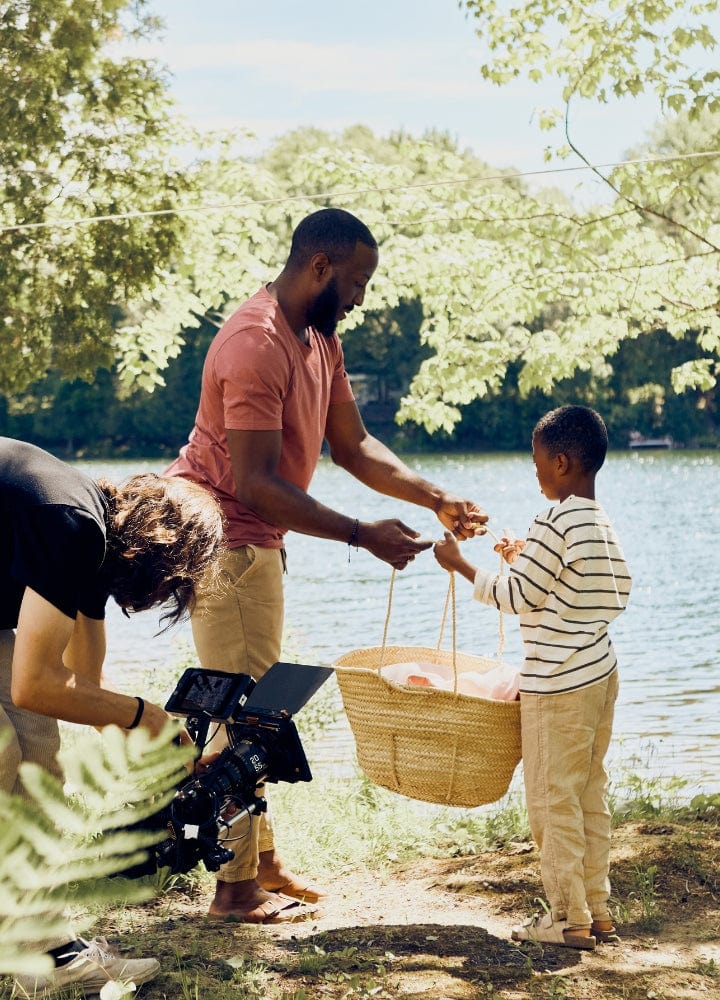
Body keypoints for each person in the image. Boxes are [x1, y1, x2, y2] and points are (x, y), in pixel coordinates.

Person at [163, 207, 489, 924]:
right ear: (319, 268)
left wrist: (434, 497)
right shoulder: (255, 343)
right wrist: (357, 532)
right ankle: (234, 889)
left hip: (258, 544)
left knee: (256, 706)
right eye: (357, 281)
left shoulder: (318, 339)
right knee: (241, 719)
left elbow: (353, 444)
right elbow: (252, 482)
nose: (362, 297)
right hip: (226, 542)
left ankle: (263, 859)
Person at [0, 434, 225, 995]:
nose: (162, 597)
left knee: (37, 758)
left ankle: (44, 955)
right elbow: (38, 683)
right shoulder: (71, 526)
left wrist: (151, 744)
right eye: (172, 584)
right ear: (162, 551)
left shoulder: (94, 547)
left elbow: (81, 684)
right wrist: (148, 719)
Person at [433, 405, 632, 950]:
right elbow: (581, 589)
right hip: (598, 676)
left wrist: (463, 565)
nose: (536, 472)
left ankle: (567, 919)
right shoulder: (596, 520)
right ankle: (598, 911)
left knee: (551, 800)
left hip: (557, 687)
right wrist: (523, 559)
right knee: (589, 793)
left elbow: (519, 597)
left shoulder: (553, 519)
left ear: (563, 462)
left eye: (539, 461)